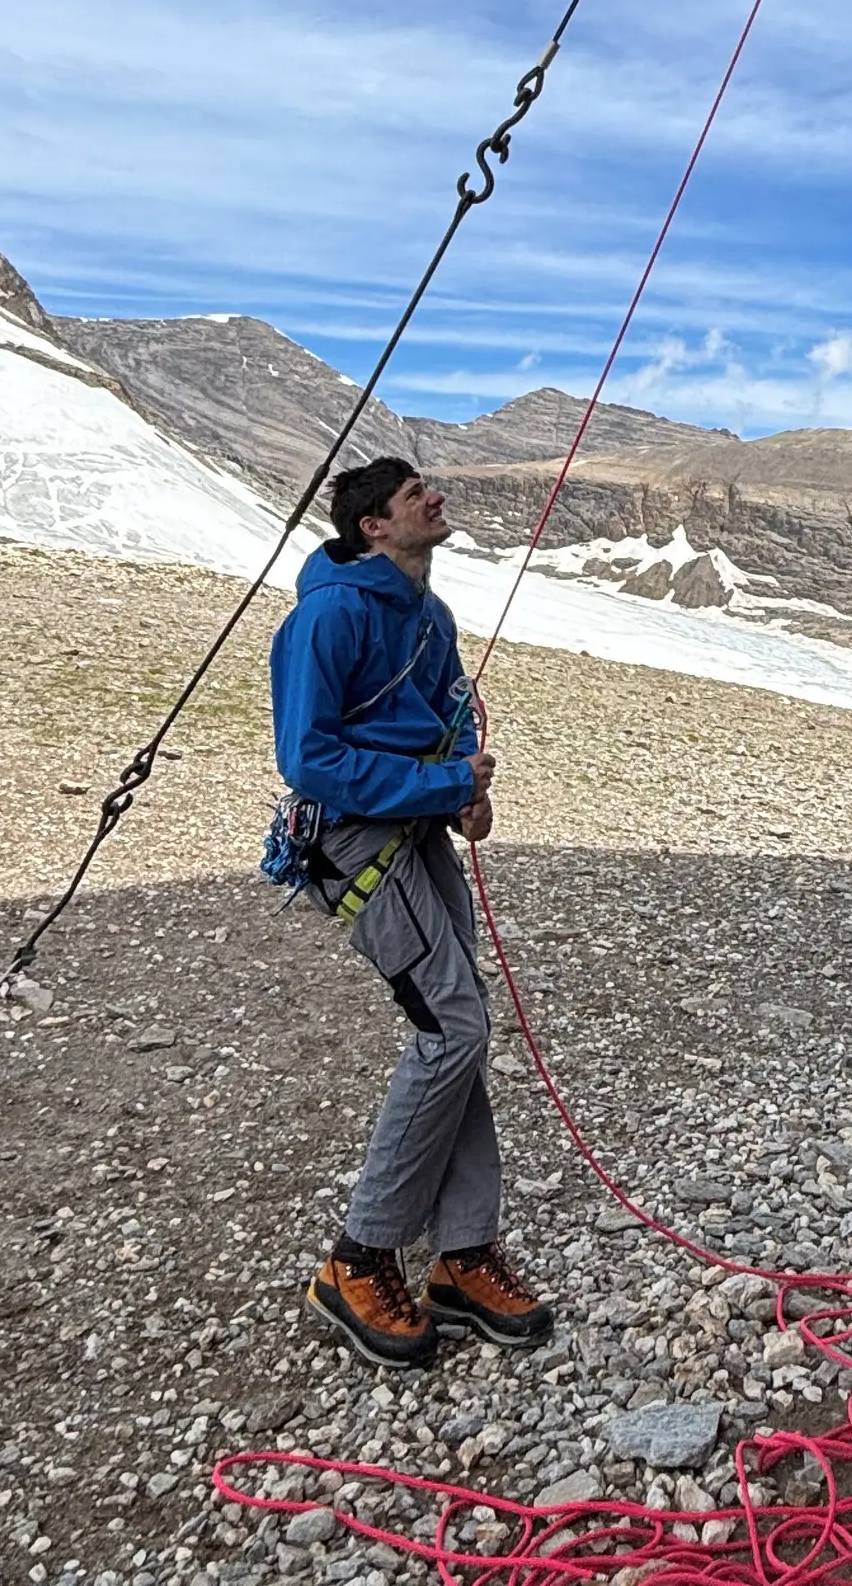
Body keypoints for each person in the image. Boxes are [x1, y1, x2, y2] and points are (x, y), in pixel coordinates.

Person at [269, 456, 554, 1368]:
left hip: (418, 832)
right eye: (411, 496)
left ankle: (464, 1255)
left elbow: (452, 716)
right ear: (374, 529)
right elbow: (307, 759)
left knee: (458, 1026)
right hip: (356, 844)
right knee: (452, 1028)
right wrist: (437, 782)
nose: (435, 497)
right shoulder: (329, 615)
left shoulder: (430, 619)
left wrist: (468, 791)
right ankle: (358, 1258)